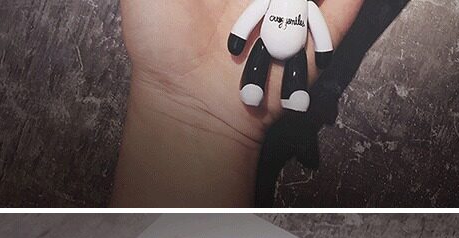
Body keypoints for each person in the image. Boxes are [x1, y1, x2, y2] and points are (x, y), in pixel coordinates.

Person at [111, 0, 366, 207]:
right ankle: (253, 83)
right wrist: (238, 37)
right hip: (265, 43)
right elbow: (251, 16)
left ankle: (292, 91)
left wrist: (322, 51)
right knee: (260, 56)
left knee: (295, 64)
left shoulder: (307, 6)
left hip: (295, 51)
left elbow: (318, 28)